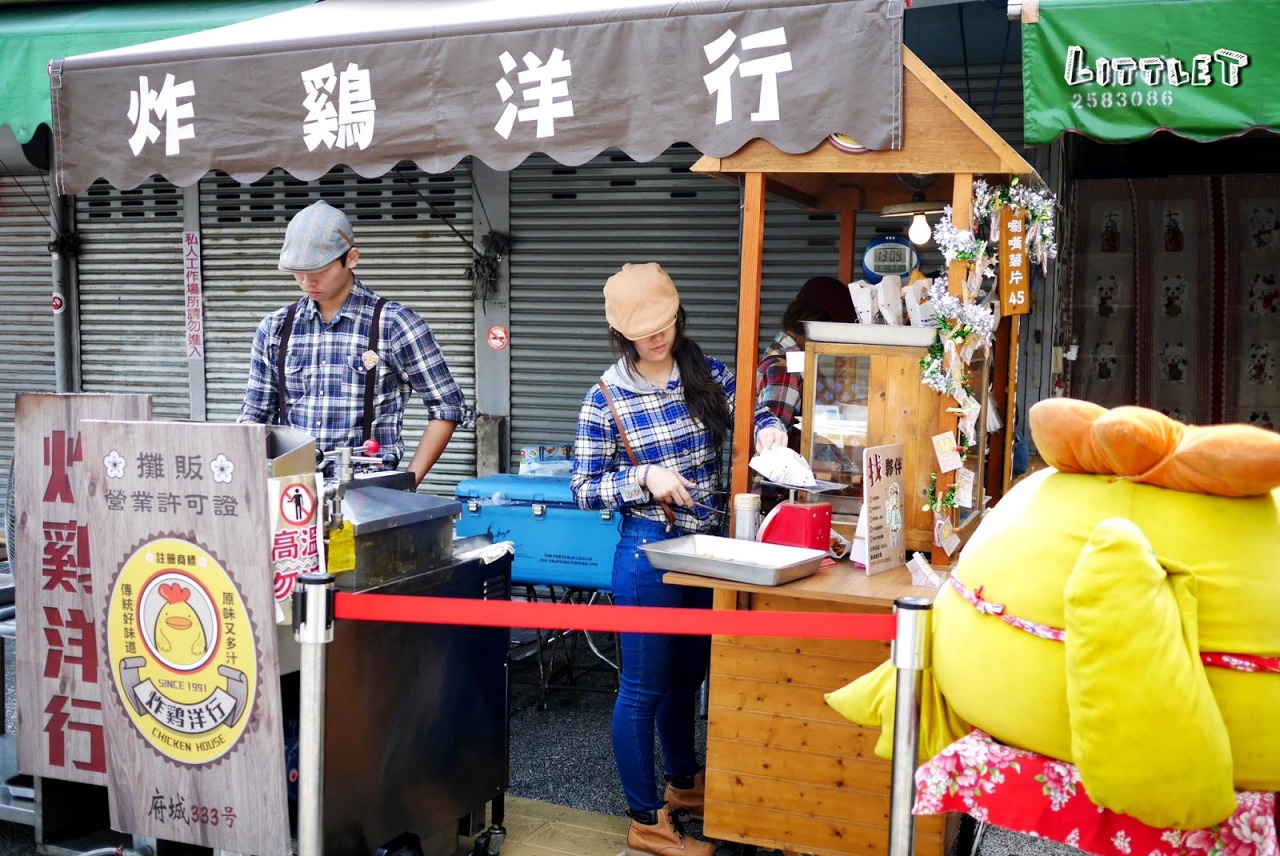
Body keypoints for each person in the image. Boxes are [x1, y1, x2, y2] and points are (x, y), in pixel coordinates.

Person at [571, 263, 787, 856]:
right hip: (648, 553)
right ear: (621, 334)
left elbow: (755, 410)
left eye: (664, 323)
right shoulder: (605, 397)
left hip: (709, 553)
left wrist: (767, 428)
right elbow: (584, 487)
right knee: (642, 688)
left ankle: (685, 785)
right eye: (644, 330)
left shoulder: (706, 370)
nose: (657, 337)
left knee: (689, 675)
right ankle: (645, 822)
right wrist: (644, 476)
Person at [239, 200, 470, 486]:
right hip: (292, 493)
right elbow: (255, 415)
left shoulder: (394, 324)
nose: (307, 281)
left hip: (370, 492)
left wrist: (407, 483)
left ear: (352, 258)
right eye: (298, 271)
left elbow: (447, 407)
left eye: (318, 270)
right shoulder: (274, 328)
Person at [755, 275, 856, 451]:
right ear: (818, 325)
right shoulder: (784, 369)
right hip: (783, 478)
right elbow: (772, 448)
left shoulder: (798, 362)